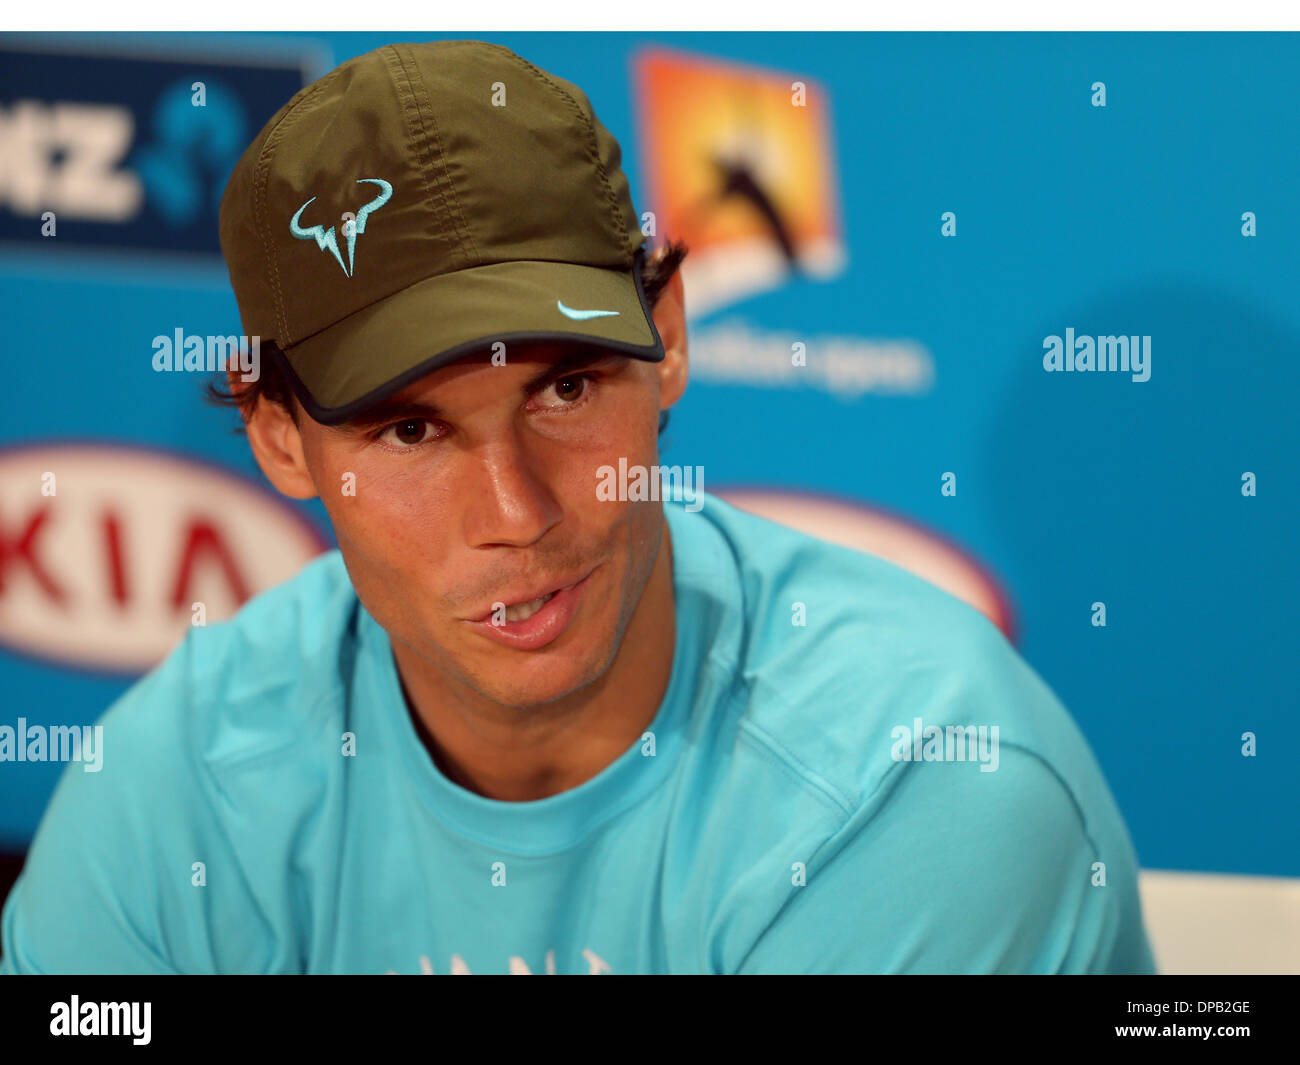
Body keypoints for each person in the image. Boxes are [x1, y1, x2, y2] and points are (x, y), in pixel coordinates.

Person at [0, 39, 1156, 975]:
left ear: (668, 343)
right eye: (410, 429)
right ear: (279, 440)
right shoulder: (183, 789)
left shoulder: (917, 786)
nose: (514, 513)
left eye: (563, 387)